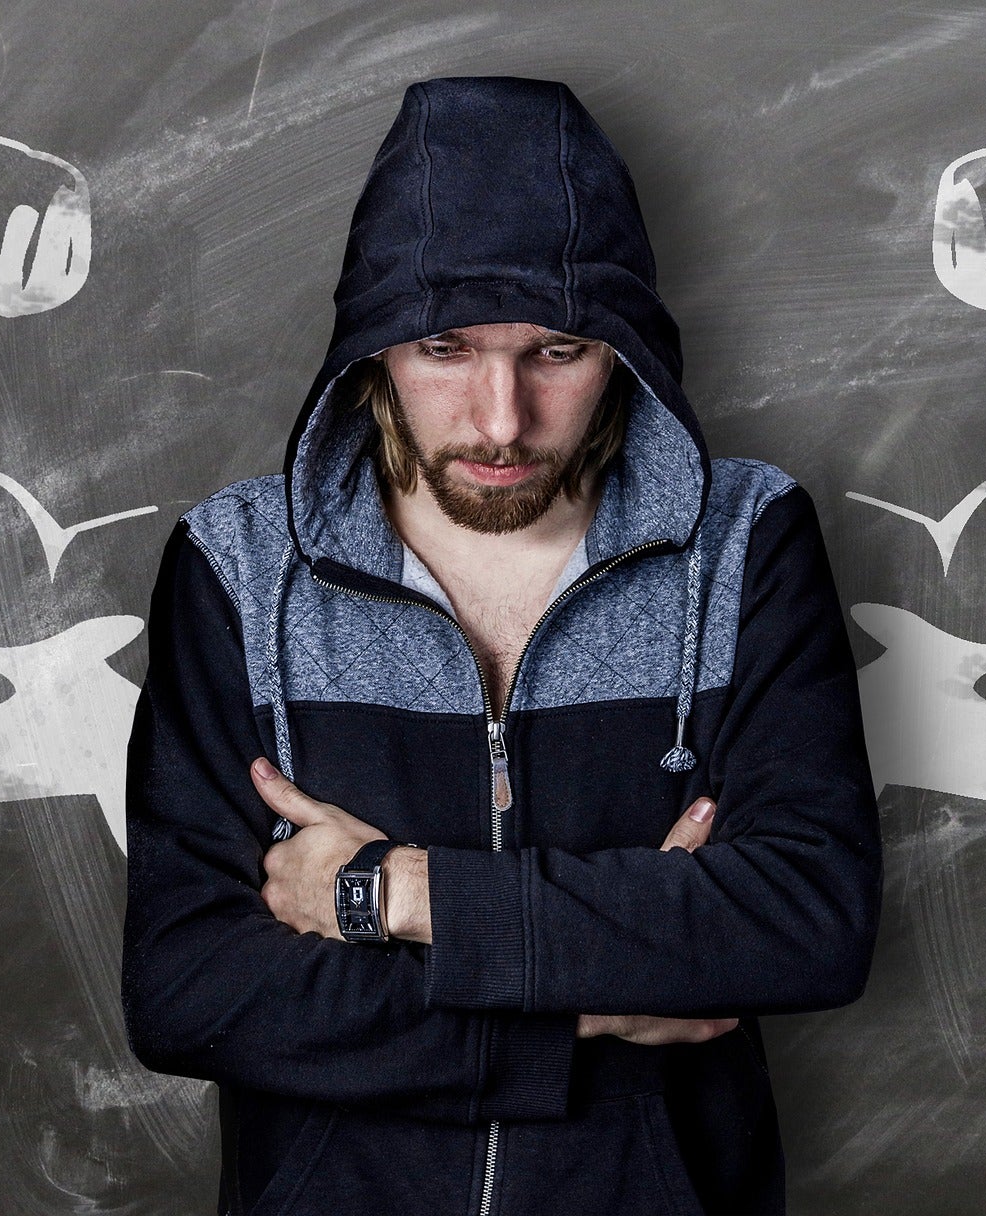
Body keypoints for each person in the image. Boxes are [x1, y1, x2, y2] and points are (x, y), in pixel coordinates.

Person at [120, 75, 883, 1215]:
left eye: (557, 352)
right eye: (444, 347)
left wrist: (400, 896)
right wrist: (583, 1010)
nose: (500, 419)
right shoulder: (238, 566)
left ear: (623, 350)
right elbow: (189, 991)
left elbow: (806, 921)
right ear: (373, 350)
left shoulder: (746, 545)